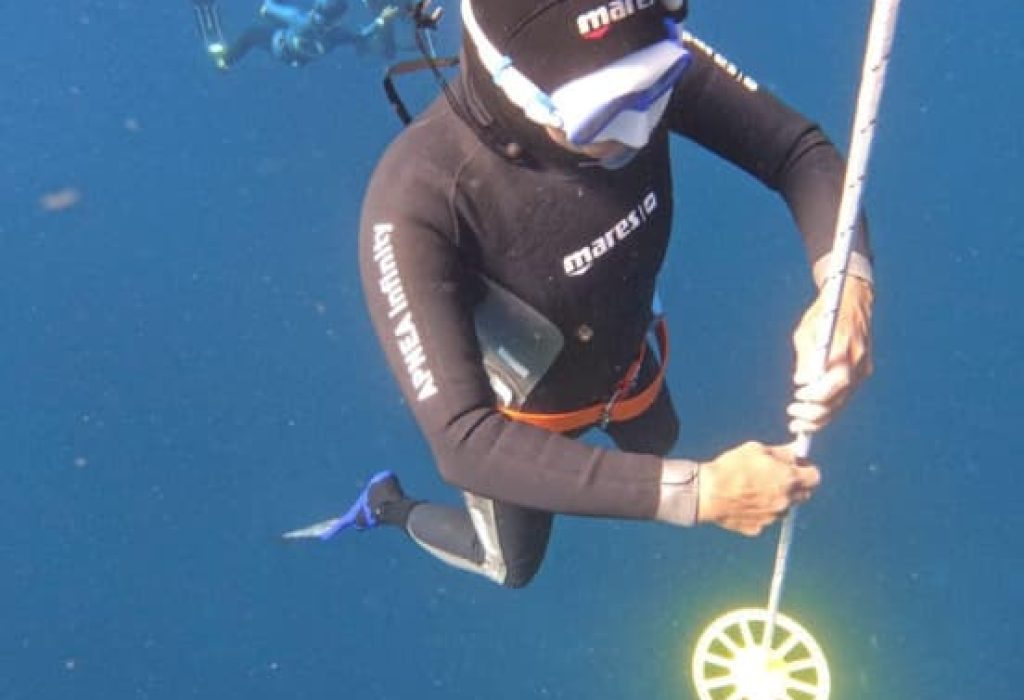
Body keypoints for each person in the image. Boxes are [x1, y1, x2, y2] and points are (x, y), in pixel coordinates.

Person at [294, 0, 875, 589]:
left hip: (627, 363)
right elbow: (465, 441)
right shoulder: (413, 201)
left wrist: (847, 285)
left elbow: (798, 150)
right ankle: (387, 506)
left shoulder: (633, 57)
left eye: (657, 85)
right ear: (511, 87)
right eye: (604, 112)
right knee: (510, 566)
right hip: (522, 425)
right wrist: (699, 494)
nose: (640, 127)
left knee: (659, 441)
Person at [191, 0, 408, 70]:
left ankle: (226, 61)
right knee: (355, 39)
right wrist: (381, 20)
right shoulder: (338, 33)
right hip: (304, 54)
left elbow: (267, 8)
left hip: (281, 44)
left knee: (251, 34)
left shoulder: (300, 19)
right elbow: (361, 36)